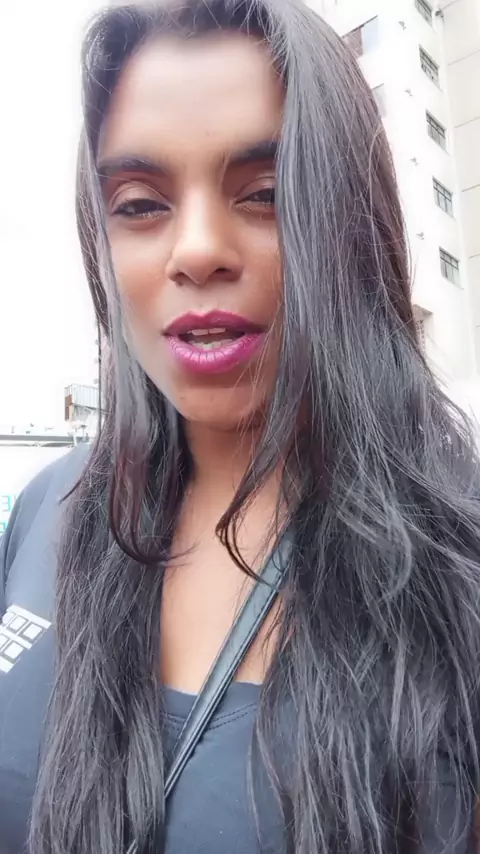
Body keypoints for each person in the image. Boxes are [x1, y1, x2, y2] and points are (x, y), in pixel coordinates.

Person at [1, 0, 480, 852]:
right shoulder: (51, 506)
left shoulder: (458, 553)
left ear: (352, 222)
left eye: (265, 194)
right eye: (140, 204)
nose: (196, 250)